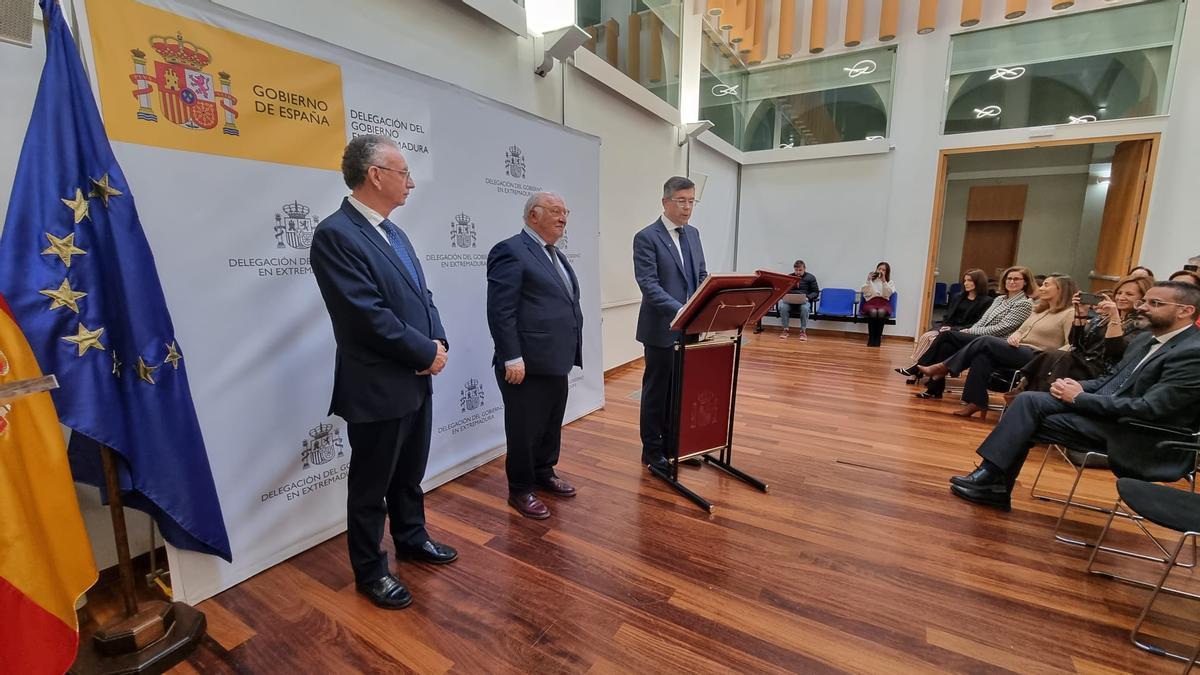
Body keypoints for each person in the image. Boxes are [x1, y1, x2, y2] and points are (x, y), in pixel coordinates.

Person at [310, 135, 456, 611]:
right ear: (375, 175)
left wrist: (438, 342)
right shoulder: (336, 234)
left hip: (415, 375)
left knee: (409, 474)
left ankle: (412, 540)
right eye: (403, 173)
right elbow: (365, 315)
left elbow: (421, 295)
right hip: (377, 383)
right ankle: (370, 570)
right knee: (372, 487)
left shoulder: (395, 232)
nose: (411, 183)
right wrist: (423, 352)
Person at [948, 281, 1200, 511]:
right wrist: (1074, 386)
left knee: (1026, 416)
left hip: (1141, 433)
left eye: (1154, 304)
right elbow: (1110, 381)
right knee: (1028, 402)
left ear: (1185, 311)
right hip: (1111, 415)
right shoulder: (1146, 339)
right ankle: (991, 480)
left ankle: (993, 482)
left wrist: (1079, 398)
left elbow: (1151, 409)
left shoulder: (1191, 353)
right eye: (1144, 302)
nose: (1143, 308)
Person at [486, 192, 584, 520]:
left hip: (555, 358)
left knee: (550, 424)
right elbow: (501, 311)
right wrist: (510, 355)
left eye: (565, 212)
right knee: (524, 429)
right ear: (533, 216)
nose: (563, 218)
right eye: (556, 211)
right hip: (524, 363)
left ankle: (544, 472)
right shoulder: (511, 251)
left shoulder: (554, 253)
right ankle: (521, 489)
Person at [919, 275, 1077, 418]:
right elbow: (1020, 331)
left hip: (1038, 356)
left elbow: (1071, 345)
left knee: (985, 341)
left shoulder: (1069, 313)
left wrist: (1050, 358)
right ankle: (976, 402)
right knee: (982, 357)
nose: (1041, 288)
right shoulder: (1038, 310)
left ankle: (943, 367)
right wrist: (1016, 335)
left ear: (1061, 289)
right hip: (1019, 349)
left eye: (1046, 285)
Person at [634, 176, 707, 473]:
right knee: (657, 392)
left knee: (681, 391)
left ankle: (674, 447)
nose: (687, 207)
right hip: (661, 328)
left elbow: (702, 275)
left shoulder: (693, 234)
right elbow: (649, 285)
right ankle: (652, 452)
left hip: (689, 327)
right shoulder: (647, 237)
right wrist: (683, 310)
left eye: (691, 201)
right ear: (665, 202)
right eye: (681, 201)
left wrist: (703, 307)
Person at [913, 266, 1036, 399]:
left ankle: (918, 369)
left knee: (946, 334)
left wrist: (971, 330)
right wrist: (971, 331)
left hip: (997, 342)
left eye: (1016, 279)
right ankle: (934, 389)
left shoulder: (1024, 304)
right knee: (946, 346)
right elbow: (982, 321)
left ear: (1025, 282)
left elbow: (1002, 328)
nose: (1011, 281)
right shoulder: (999, 299)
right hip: (979, 336)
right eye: (1009, 278)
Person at [1017, 275, 1151, 394]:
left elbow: (1114, 351)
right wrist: (1080, 315)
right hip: (1082, 363)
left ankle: (1034, 397)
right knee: (1055, 356)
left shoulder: (1141, 324)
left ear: (1142, 298)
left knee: (1058, 357)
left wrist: (1115, 317)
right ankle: (1033, 397)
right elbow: (1076, 343)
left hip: (1103, 371)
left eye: (1129, 294)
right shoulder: (1103, 317)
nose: (1121, 297)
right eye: (1119, 293)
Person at [896, 268, 992, 381]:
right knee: (926, 337)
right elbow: (948, 316)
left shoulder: (987, 301)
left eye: (970, 280)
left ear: (978, 282)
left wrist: (953, 328)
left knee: (936, 340)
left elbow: (977, 323)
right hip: (947, 327)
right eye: (965, 280)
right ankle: (917, 370)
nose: (966, 283)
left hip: (964, 331)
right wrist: (944, 326)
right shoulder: (958, 296)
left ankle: (916, 370)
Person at [778, 260, 820, 340]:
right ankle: (785, 330)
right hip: (790, 302)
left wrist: (808, 297)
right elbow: (784, 290)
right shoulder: (789, 277)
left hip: (803, 301)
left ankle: (803, 331)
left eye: (800, 270)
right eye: (796, 270)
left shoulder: (810, 277)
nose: (798, 272)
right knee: (783, 307)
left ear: (804, 269)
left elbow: (815, 292)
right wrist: (785, 295)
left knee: (805, 308)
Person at [860, 262, 895, 347]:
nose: (881, 271)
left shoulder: (890, 282)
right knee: (873, 312)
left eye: (883, 270)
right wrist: (868, 280)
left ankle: (878, 338)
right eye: (879, 269)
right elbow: (865, 292)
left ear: (887, 272)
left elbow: (887, 294)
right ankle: (871, 338)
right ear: (876, 269)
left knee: (881, 312)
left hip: (884, 303)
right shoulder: (871, 281)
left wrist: (884, 281)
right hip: (871, 302)